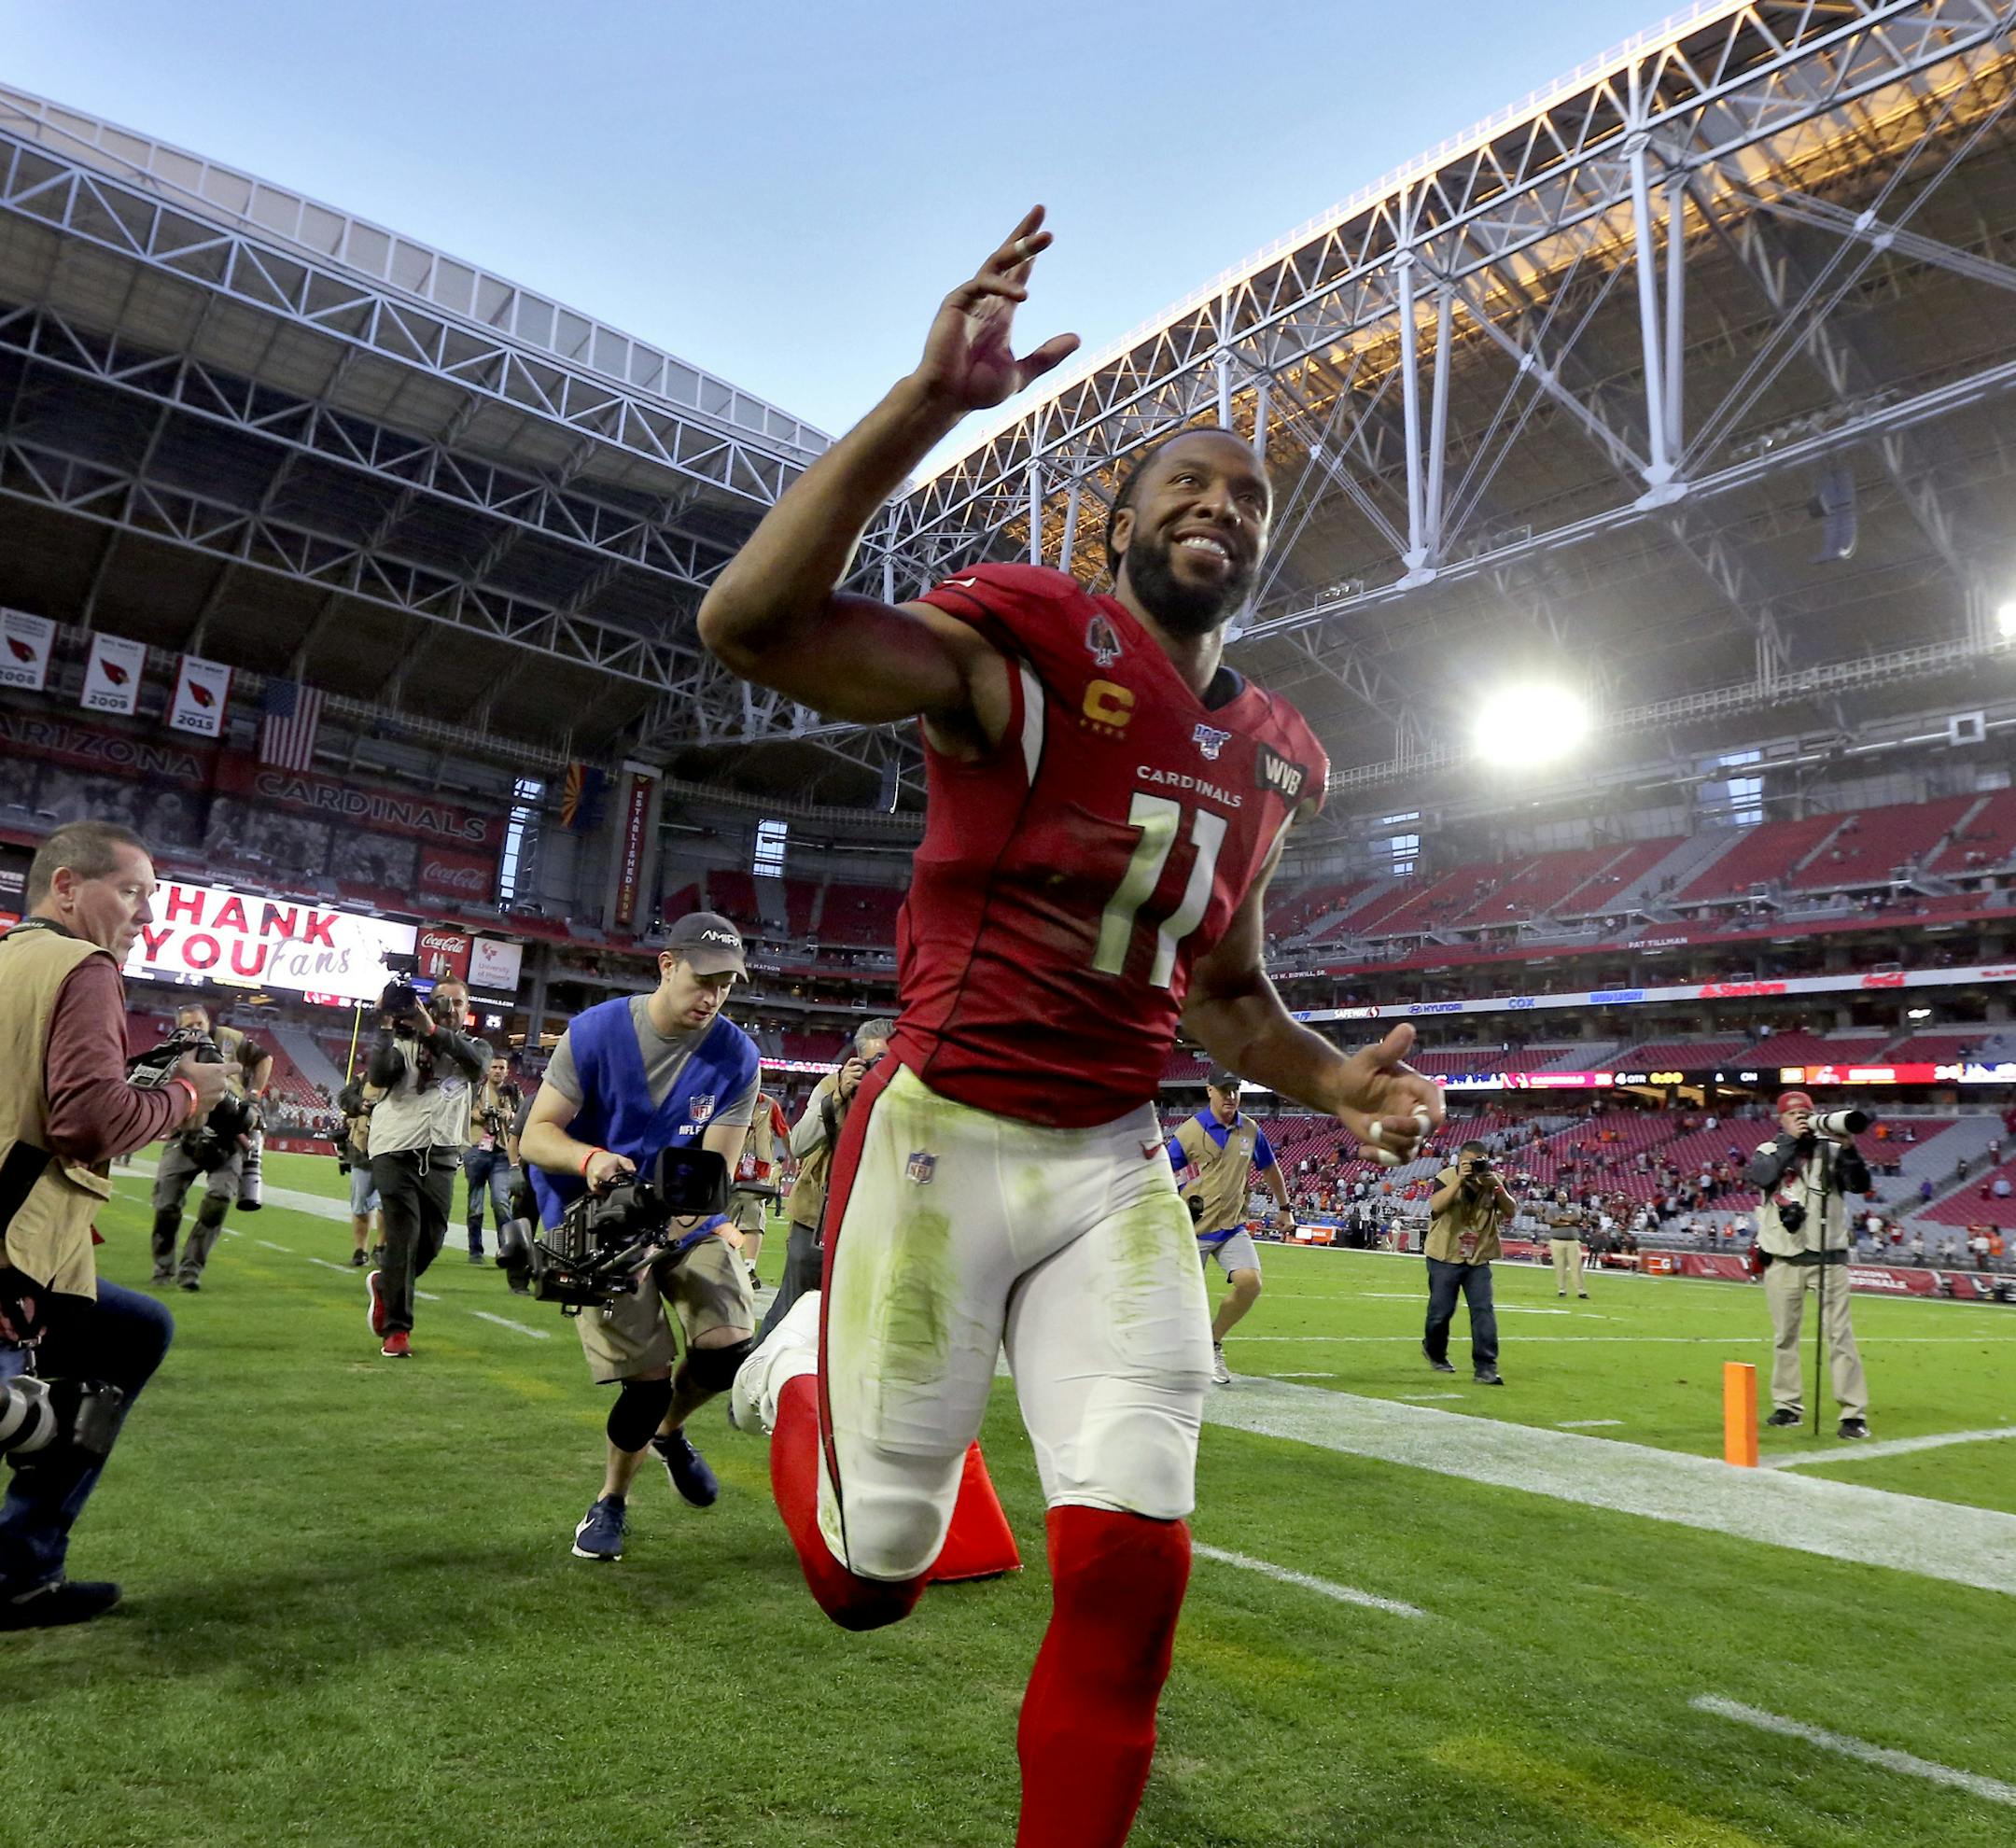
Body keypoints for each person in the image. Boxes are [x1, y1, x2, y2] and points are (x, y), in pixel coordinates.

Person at [696, 207, 1441, 1847]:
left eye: (1248, 495)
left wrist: (1340, 1085)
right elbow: (751, 629)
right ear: (1120, 518)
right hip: (946, 1139)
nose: (1219, 504)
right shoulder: (1028, 643)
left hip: (1116, 1167)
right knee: (875, 1580)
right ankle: (795, 1364)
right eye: (1188, 480)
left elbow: (1231, 996)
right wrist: (921, 406)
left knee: (1132, 1557)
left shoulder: (1280, 756)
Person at [0, 820, 229, 1627]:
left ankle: (22, 1568)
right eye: (130, 892)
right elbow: (88, 1123)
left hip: (31, 1246)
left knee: (131, 1332)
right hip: (12, 1249)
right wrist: (185, 1097)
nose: (144, 915)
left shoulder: (8, 960)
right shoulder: (83, 965)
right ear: (67, 886)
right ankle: (18, 1571)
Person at [517, 911, 763, 1563]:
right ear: (667, 965)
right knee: (647, 1381)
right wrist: (593, 1160)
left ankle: (669, 1432)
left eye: (726, 985)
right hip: (594, 1221)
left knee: (728, 1348)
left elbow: (714, 1174)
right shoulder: (594, 1032)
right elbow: (536, 1134)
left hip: (684, 1213)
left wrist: (662, 1235)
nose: (712, 997)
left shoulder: (737, 1055)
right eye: (701, 979)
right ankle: (612, 1500)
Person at [363, 974, 487, 1359]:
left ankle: (386, 1285)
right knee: (405, 1233)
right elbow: (380, 1075)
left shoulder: (475, 1046)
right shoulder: (400, 1043)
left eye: (459, 1002)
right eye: (443, 1000)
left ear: (468, 1010)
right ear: (428, 1003)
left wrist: (432, 1030)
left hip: (442, 1153)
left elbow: (477, 1065)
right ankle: (397, 1330)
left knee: (431, 1241)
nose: (452, 1008)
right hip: (395, 1147)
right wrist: (386, 1024)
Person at [757, 1017, 895, 1344]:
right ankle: (749, 1387)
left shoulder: (905, 1096)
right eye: (876, 1060)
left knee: (853, 1316)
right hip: (816, 1217)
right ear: (858, 1060)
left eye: (890, 1061)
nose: (882, 1069)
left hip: (870, 1222)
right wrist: (836, 1098)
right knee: (791, 1308)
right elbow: (800, 1143)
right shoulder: (832, 1087)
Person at [1744, 1090, 1872, 1439]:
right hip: (1783, 1258)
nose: (1801, 1117)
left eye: (1806, 1112)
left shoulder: (1831, 1152)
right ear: (1781, 1119)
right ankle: (1787, 1406)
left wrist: (1848, 1147)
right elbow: (1762, 1176)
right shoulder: (1769, 1151)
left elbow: (1861, 1184)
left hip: (1828, 1258)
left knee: (1840, 1335)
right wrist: (1792, 1143)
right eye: (1793, 1113)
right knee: (1785, 1336)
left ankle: (1853, 1413)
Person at [1167, 1070, 1293, 1384]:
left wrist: (1285, 1208)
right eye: (1224, 1090)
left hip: (1232, 1226)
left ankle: (1212, 1344)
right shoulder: (1189, 1132)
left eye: (1235, 1090)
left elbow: (1270, 1167)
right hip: (1191, 1229)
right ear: (1210, 1091)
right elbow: (1163, 1170)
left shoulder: (1250, 1129)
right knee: (1176, 1302)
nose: (1231, 1097)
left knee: (1250, 1283)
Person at [147, 1001, 272, 1292]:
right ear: (179, 1027)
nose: (195, 1030)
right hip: (186, 1132)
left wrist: (253, 1095)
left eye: (199, 1025)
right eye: (188, 1026)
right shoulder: (171, 1048)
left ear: (208, 1022)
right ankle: (162, 1268)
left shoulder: (229, 1038)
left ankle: (191, 1269)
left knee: (218, 1200)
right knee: (166, 1205)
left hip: (230, 1133)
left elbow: (264, 1058)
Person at [1423, 1141, 1515, 1386]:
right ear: (1460, 1160)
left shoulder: (1495, 1181)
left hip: (1478, 1257)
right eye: (1471, 1162)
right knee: (1440, 1313)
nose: (1476, 1167)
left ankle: (1486, 1367)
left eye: (1481, 1161)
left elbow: (1511, 1211)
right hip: (1445, 1255)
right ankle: (1434, 1351)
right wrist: (1459, 1181)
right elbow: (1436, 1206)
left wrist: (1497, 1187)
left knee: (1483, 1310)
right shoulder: (1445, 1177)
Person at [729, 1085, 791, 1292]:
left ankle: (749, 1267)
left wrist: (793, 1154)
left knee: (753, 1218)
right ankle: (724, 1264)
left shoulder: (769, 1105)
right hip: (728, 1169)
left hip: (757, 1173)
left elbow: (784, 1131)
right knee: (722, 1219)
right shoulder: (729, 1099)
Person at [462, 1054, 524, 1264]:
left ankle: (505, 1248)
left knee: (501, 1202)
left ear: (507, 1071)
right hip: (477, 1149)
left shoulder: (514, 1094)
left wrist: (511, 1115)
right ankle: (475, 1250)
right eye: (494, 1067)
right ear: (488, 1070)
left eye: (502, 1068)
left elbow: (523, 1118)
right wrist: (480, 1114)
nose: (498, 1071)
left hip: (502, 1152)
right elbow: (465, 1112)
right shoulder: (476, 1091)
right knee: (475, 1204)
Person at [335, 1072, 379, 1267]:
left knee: (387, 1205)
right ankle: (361, 1249)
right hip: (363, 1149)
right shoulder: (363, 1078)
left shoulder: (404, 1080)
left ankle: (381, 1247)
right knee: (360, 1204)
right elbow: (344, 1098)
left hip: (393, 1151)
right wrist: (361, 1105)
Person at [1545, 1190, 1589, 1298]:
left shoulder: (1573, 1209)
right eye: (1560, 1198)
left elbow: (1576, 1219)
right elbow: (1550, 1221)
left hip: (1572, 1241)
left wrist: (1560, 1220)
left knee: (1576, 1267)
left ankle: (1581, 1290)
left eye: (1564, 1198)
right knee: (1559, 1267)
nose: (1562, 1200)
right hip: (1557, 1240)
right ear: (1556, 1199)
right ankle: (1562, 1289)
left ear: (1567, 1199)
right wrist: (1568, 1223)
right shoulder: (1552, 1210)